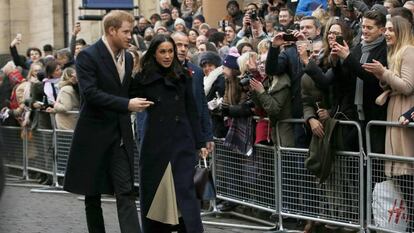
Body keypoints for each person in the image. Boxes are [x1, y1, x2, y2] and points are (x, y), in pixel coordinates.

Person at [63, 10, 153, 233]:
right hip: (93, 135)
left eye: (131, 32)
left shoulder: (130, 57)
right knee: (92, 194)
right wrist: (126, 104)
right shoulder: (87, 56)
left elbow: (127, 89)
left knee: (125, 190)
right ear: (111, 30)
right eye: (126, 31)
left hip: (120, 136)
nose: (130, 36)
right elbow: (91, 94)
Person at [130, 34, 207, 233]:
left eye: (170, 51)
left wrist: (200, 143)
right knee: (156, 193)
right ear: (154, 54)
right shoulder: (142, 78)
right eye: (162, 51)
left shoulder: (183, 75)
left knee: (185, 193)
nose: (167, 56)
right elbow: (126, 99)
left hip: (182, 141)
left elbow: (192, 110)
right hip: (155, 145)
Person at [362, 16, 414, 233]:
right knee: (403, 184)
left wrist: (384, 73)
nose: (387, 33)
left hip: (403, 119)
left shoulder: (409, 51)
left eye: (391, 29)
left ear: (401, 30)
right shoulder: (396, 53)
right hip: (394, 116)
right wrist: (382, 75)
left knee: (407, 181)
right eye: (387, 29)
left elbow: (408, 86)